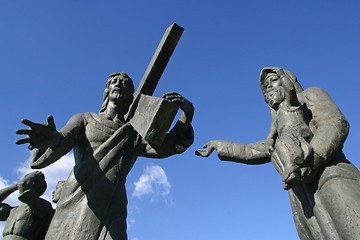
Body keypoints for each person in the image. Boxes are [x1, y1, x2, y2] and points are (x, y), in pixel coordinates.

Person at [16, 72, 194, 240]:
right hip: (78, 195)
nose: (118, 85)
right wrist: (51, 139)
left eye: (124, 84)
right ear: (107, 90)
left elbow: (167, 148)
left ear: (131, 96)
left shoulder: (133, 133)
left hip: (112, 202)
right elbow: (63, 141)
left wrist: (187, 116)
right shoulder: (85, 119)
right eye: (114, 82)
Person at [196, 67, 360, 240]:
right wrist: (218, 145)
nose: (269, 88)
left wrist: (313, 160)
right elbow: (255, 150)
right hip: (303, 198)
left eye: (272, 81)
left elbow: (334, 123)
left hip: (330, 174)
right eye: (266, 87)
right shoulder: (279, 127)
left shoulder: (310, 95)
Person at [262, 68, 313, 189]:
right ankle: (289, 173)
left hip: (298, 132)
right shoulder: (278, 115)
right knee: (275, 152)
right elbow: (274, 128)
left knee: (282, 142)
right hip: (286, 137)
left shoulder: (291, 103)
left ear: (281, 93)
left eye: (271, 95)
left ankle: (292, 168)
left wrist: (280, 73)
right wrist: (269, 140)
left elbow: (290, 89)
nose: (269, 99)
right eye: (267, 98)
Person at [0, 171, 54, 240]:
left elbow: (23, 186)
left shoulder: (43, 206)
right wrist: (15, 186)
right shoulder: (13, 211)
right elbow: (22, 185)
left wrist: (34, 175)